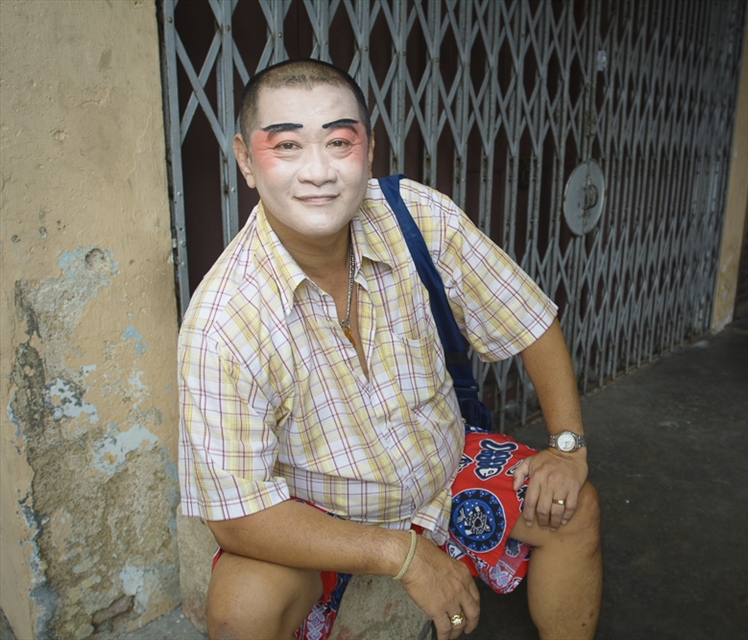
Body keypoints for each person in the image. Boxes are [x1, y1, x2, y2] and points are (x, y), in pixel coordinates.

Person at [177, 58, 602, 640]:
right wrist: (401, 555)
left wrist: (568, 446)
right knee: (241, 607)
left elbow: (529, 319)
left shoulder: (414, 218)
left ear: (368, 150)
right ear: (247, 161)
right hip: (321, 511)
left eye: (339, 141)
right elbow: (238, 518)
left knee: (571, 508)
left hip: (442, 470)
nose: (319, 171)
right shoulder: (223, 319)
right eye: (287, 147)